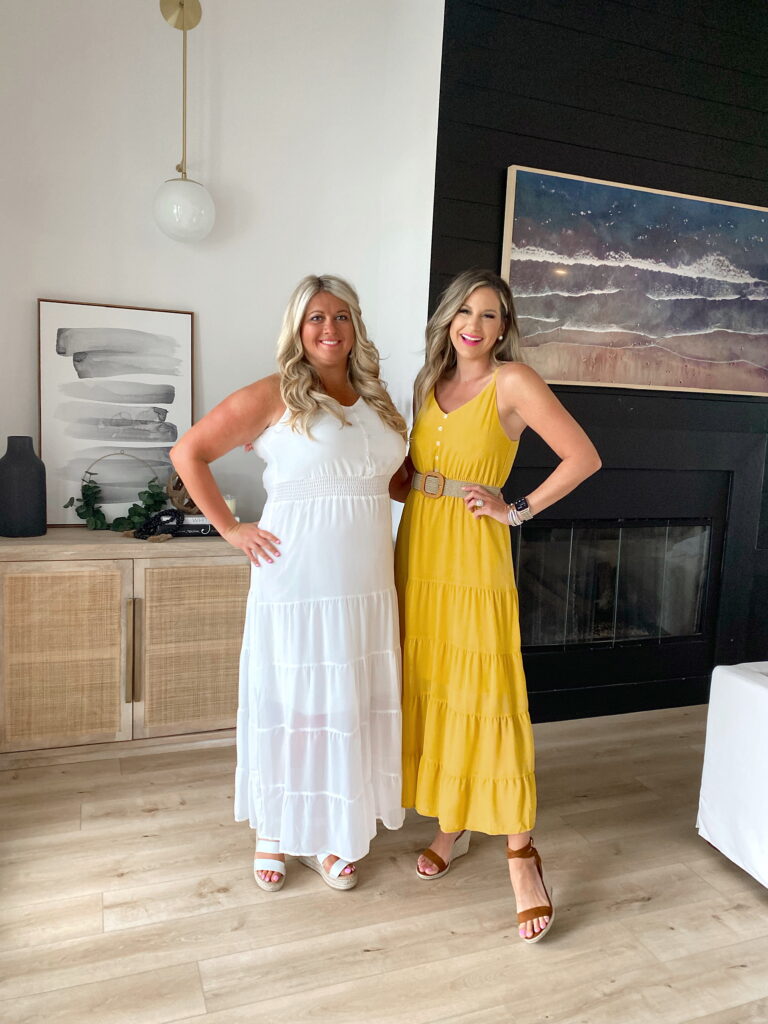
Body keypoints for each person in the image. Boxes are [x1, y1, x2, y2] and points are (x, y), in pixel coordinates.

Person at [170, 274, 407, 892]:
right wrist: (229, 528)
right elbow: (188, 452)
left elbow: (393, 479)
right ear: (298, 330)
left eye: (341, 316)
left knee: (345, 703)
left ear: (356, 326)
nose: (330, 328)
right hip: (298, 580)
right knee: (295, 701)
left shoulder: (377, 399)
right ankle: (275, 829)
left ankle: (327, 832)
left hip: (365, 580)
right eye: (315, 318)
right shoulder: (274, 393)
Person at [392, 268, 600, 941]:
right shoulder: (428, 382)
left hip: (473, 554)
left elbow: (583, 457)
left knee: (487, 692)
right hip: (419, 549)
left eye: (488, 314)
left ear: (504, 326)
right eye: (464, 311)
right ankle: (450, 824)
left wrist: (517, 510)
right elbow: (406, 476)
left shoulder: (514, 382)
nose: (474, 325)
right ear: (449, 318)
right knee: (434, 685)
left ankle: (521, 853)